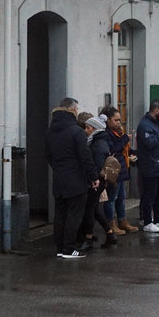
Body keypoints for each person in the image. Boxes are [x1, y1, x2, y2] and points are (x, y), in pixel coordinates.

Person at [44, 98, 98, 259]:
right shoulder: (76, 131)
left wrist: (58, 168)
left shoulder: (50, 131)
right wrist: (93, 176)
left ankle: (60, 248)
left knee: (60, 214)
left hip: (59, 178)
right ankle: (69, 248)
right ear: (72, 110)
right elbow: (85, 156)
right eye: (76, 109)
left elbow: (48, 155)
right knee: (74, 215)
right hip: (75, 179)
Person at [78, 115, 117, 250]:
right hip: (98, 181)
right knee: (94, 209)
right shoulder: (99, 141)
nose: (85, 130)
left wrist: (93, 178)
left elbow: (97, 164)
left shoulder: (97, 143)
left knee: (90, 209)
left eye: (88, 128)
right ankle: (110, 234)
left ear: (95, 129)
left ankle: (88, 238)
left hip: (95, 181)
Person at [134, 99, 159, 232]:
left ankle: (158, 219)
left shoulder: (155, 123)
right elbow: (150, 143)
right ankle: (147, 221)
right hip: (150, 165)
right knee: (149, 194)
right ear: (156, 110)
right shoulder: (145, 125)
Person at [101, 107, 136, 234]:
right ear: (107, 120)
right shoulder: (106, 134)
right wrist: (125, 138)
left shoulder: (118, 132)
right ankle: (111, 224)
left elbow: (122, 149)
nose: (119, 123)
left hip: (121, 168)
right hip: (113, 171)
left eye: (120, 120)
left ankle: (123, 221)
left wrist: (132, 154)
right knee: (111, 198)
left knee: (121, 198)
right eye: (116, 120)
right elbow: (113, 149)